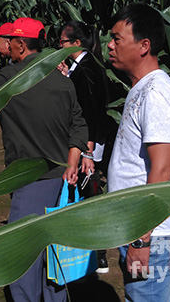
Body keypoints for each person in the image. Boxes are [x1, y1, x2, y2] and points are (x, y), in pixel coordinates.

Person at [0, 17, 89, 302]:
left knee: (22, 255)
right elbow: (79, 124)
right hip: (61, 181)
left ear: (21, 45)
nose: (6, 46)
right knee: (53, 254)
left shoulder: (14, 78)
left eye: (10, 42)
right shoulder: (62, 80)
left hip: (31, 179)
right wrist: (73, 158)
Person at [106, 3, 170, 302]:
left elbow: (163, 168)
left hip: (154, 235)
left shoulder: (156, 94)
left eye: (117, 39)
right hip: (142, 231)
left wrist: (142, 240)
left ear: (144, 46)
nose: (110, 45)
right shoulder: (142, 88)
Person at [58, 20, 113, 273]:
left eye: (62, 42)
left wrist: (87, 152)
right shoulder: (81, 66)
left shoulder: (87, 68)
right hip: (84, 142)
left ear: (76, 43)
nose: (59, 46)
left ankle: (98, 255)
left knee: (90, 194)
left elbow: (91, 111)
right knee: (85, 193)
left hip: (86, 144)